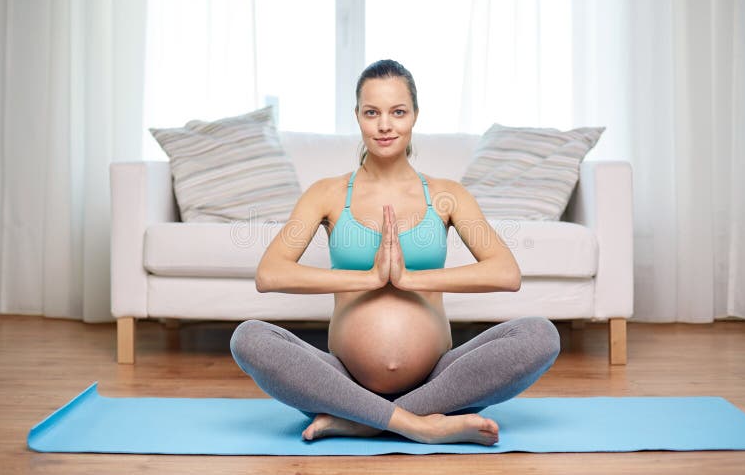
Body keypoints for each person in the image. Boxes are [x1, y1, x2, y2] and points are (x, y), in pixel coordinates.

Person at [230, 59, 560, 445]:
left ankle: (363, 421)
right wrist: (368, 278)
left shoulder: (445, 195)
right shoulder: (327, 193)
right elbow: (270, 273)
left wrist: (409, 279)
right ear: (358, 117)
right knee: (248, 337)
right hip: (342, 380)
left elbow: (506, 273)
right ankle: (418, 424)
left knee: (541, 334)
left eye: (397, 112)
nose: (385, 125)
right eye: (372, 113)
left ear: (414, 116)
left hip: (439, 380)